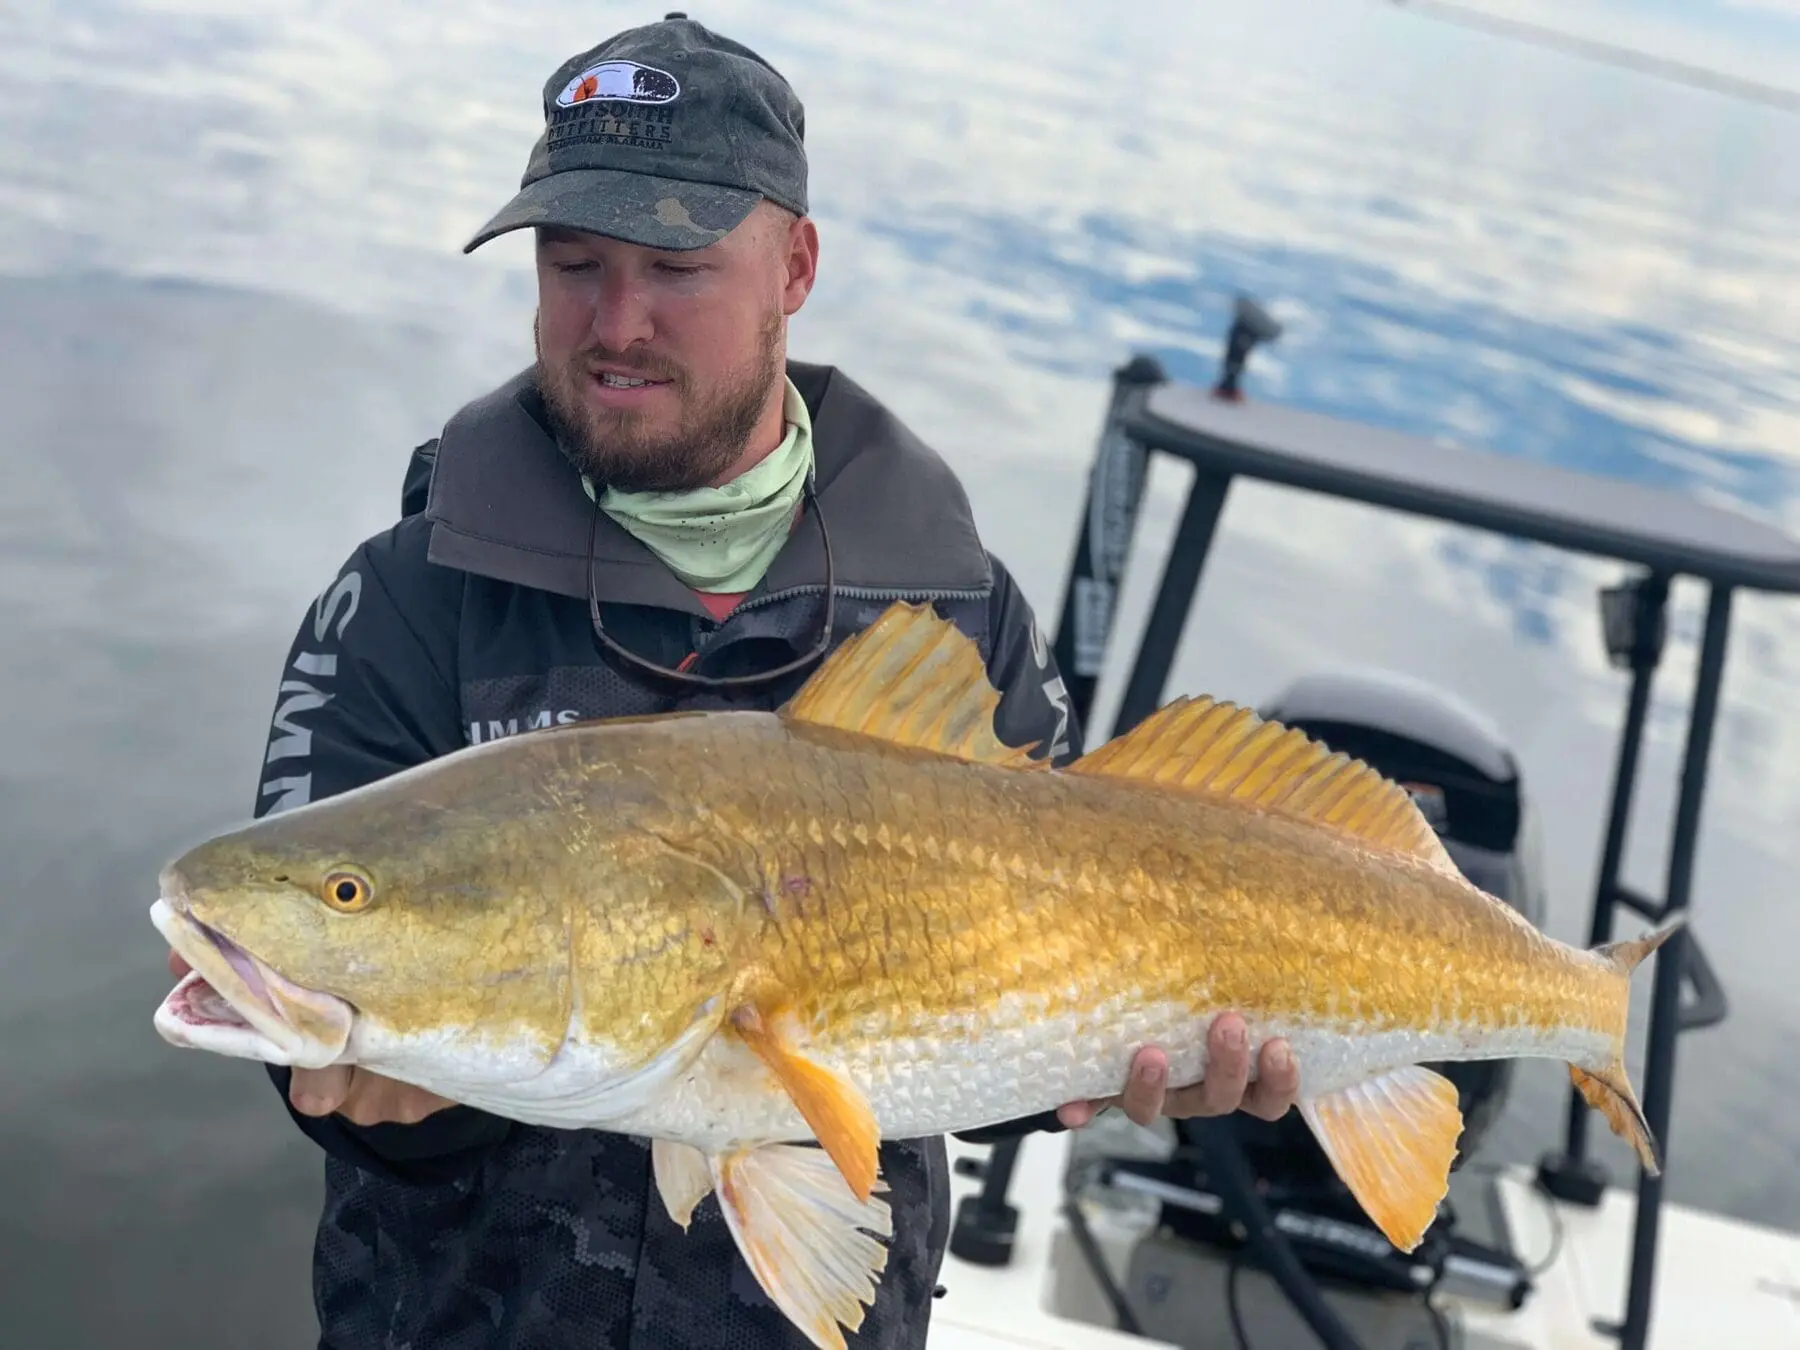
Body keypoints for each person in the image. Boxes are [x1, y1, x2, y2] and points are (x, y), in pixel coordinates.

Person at [167, 13, 1300, 1348]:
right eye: (574, 262)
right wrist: (361, 1094)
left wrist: (1115, 1070)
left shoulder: (954, 605)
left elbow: (988, 1044)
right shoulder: (409, 598)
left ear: (795, 266)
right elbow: (325, 1000)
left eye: (677, 265)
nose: (617, 320)